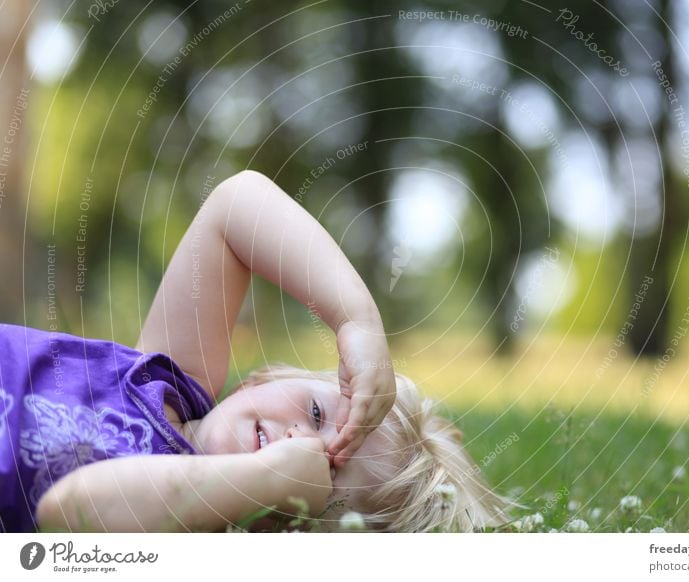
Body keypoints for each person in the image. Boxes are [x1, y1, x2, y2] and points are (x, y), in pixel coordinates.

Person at [0, 170, 508, 532]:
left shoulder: (171, 538)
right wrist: (356, 320)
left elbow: (69, 510)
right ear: (262, 380)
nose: (298, 438)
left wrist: (262, 481)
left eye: (323, 473)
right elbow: (236, 206)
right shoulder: (174, 380)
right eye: (315, 411)